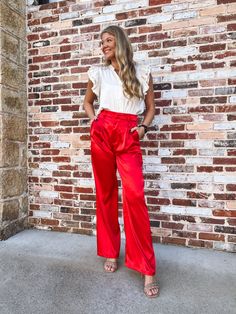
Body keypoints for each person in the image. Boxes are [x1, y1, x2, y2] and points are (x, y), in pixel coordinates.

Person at [83, 25, 159, 298]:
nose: (103, 45)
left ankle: (146, 267)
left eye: (108, 40)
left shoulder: (142, 72)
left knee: (135, 195)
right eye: (101, 42)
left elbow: (150, 109)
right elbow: (88, 102)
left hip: (129, 133)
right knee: (105, 194)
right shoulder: (98, 73)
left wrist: (143, 129)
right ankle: (110, 251)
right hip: (103, 132)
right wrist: (94, 123)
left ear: (121, 42)